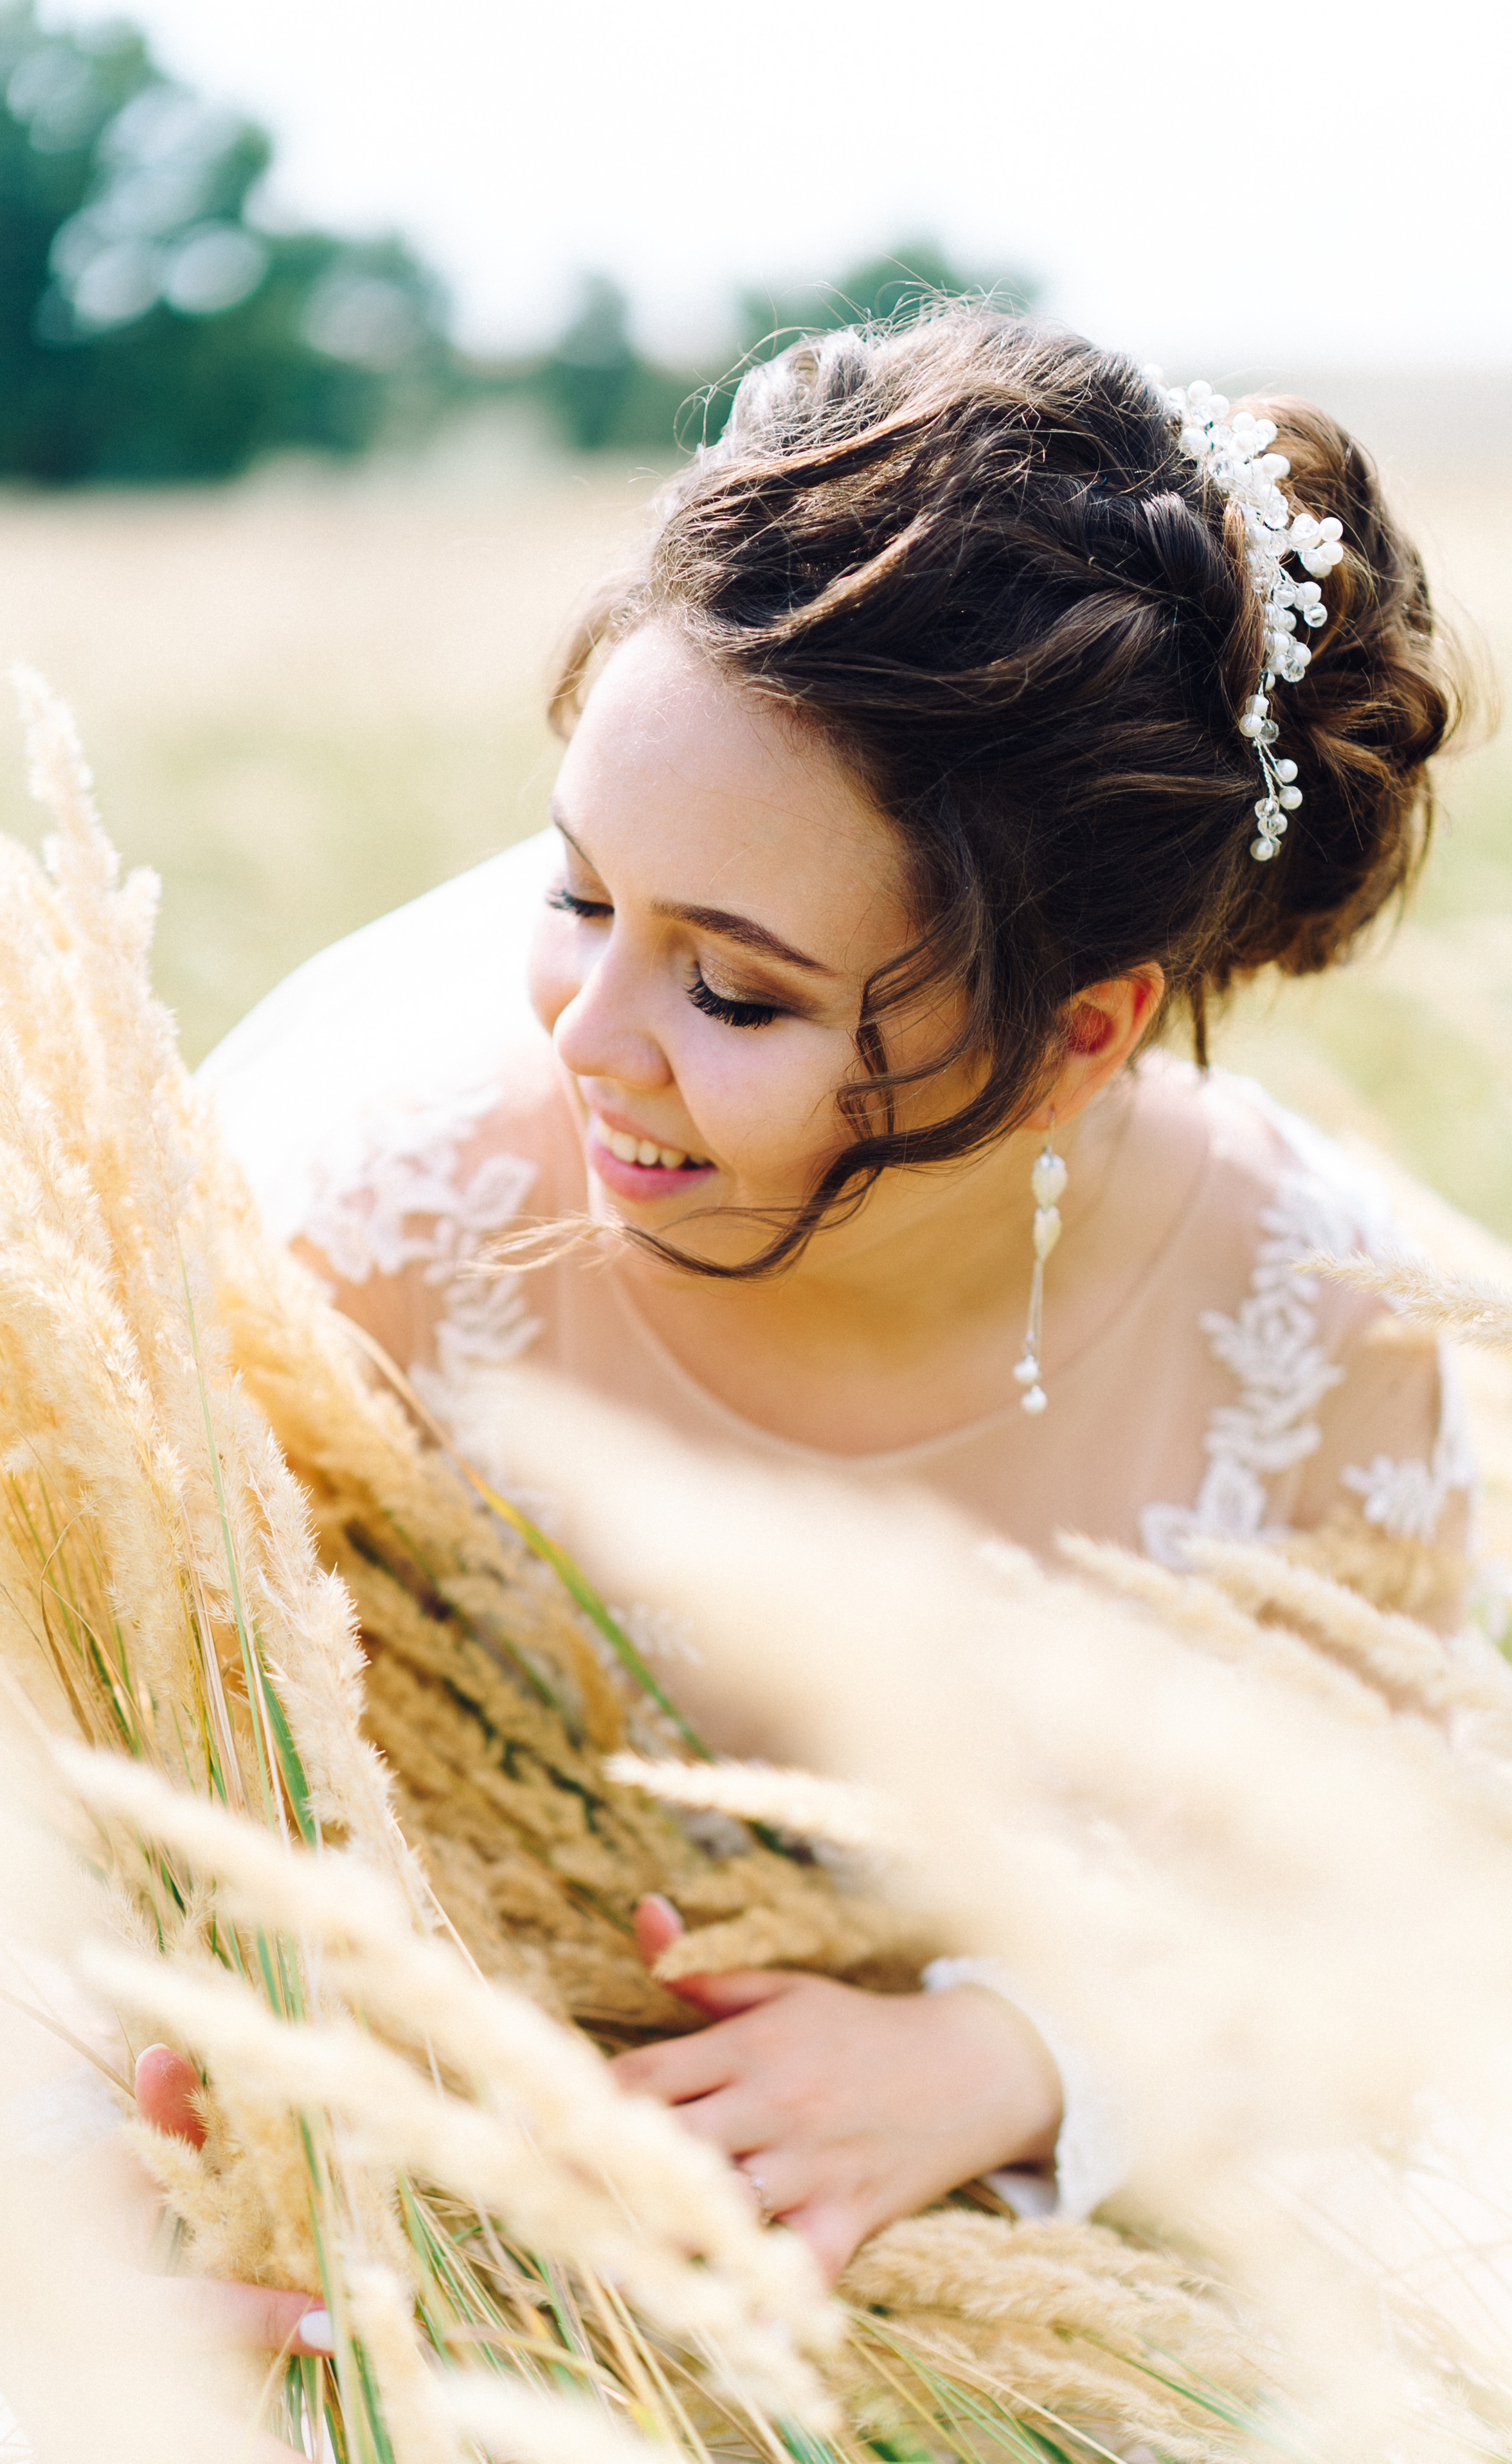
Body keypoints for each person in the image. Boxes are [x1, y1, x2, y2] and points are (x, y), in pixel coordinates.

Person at [194, 305, 1472, 2277]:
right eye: (578, 893)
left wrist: (1027, 2052)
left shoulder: (1331, 1344)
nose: (589, 1039)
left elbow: (1406, 1920)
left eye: (734, 987)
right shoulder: (378, 1228)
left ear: (1080, 1032)